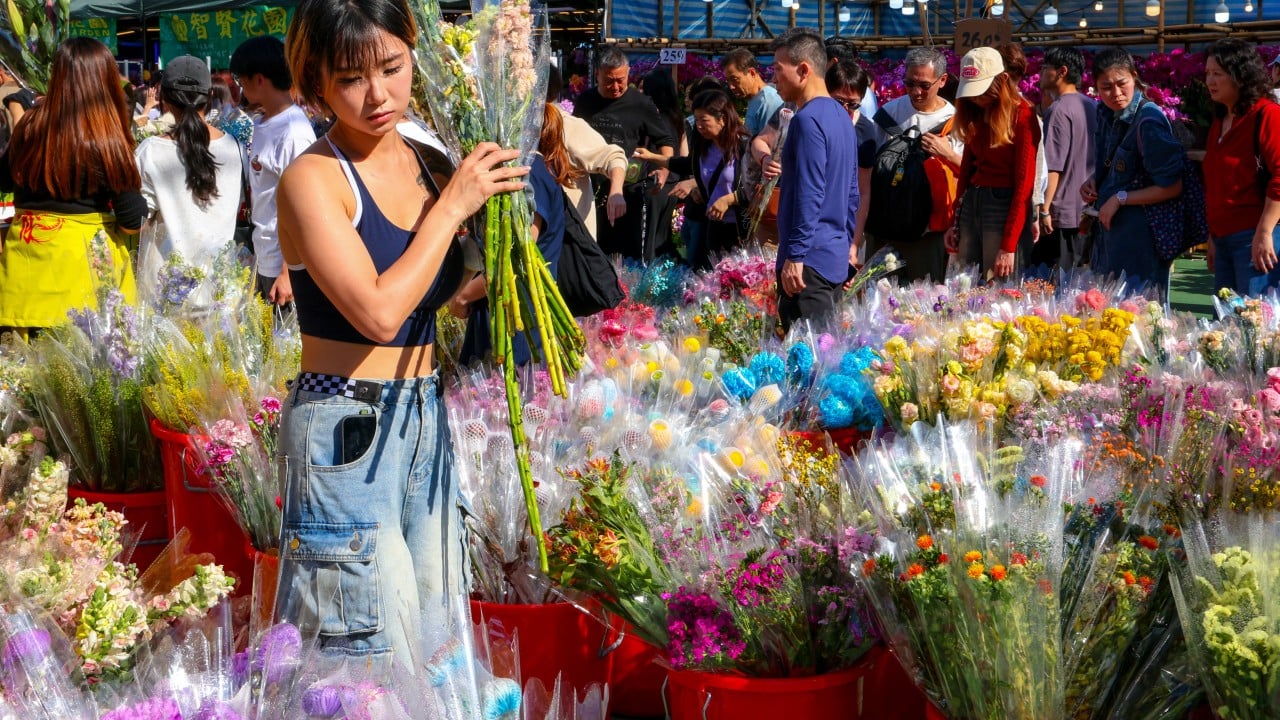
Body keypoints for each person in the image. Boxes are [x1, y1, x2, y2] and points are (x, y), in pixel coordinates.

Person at [275, 0, 527, 662]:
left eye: (392, 67)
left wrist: (495, 266)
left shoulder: (427, 156)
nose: (377, 94)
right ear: (317, 81)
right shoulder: (312, 178)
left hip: (423, 413)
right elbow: (378, 313)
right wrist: (453, 209)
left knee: (438, 640)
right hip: (345, 426)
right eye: (352, 78)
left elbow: (433, 297)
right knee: (365, 658)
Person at [0, 38, 145, 338]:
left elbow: (4, 180)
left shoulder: (28, 127)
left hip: (25, 284)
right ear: (105, 80)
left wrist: (19, 116)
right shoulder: (107, 139)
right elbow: (132, 222)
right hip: (84, 289)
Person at [454, 102, 568, 364]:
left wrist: (463, 295)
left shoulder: (531, 174)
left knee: (509, 391)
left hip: (520, 314)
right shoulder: (525, 170)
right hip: (505, 308)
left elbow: (516, 259)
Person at [770, 28, 857, 331]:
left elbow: (810, 194)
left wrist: (796, 255)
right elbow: (852, 193)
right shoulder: (841, 115)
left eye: (778, 69)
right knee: (826, 354)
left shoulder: (807, 121)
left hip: (808, 263)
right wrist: (845, 246)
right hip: (831, 257)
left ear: (803, 69)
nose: (774, 78)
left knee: (806, 365)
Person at [1081, 49, 1186, 297]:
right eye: (1106, 87)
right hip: (1111, 238)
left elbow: (1173, 186)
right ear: (1095, 87)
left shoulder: (1149, 122)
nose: (1116, 94)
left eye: (1122, 84)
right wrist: (1095, 181)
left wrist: (1120, 198)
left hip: (1142, 240)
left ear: (1134, 77)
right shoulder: (1105, 113)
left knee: (1142, 317)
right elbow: (1115, 166)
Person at [134, 56, 244, 292]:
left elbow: (139, 222)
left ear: (164, 98)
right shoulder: (234, 147)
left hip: (166, 292)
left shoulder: (150, 151)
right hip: (221, 291)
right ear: (210, 96)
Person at [231, 36, 316, 306]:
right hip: (265, 255)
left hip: (286, 269)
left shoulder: (293, 132)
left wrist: (288, 272)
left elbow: (307, 207)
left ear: (259, 79)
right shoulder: (262, 122)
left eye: (242, 81)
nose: (241, 88)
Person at [865, 46, 963, 284]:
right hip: (884, 226)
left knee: (925, 299)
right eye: (909, 84)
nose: (915, 92)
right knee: (877, 297)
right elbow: (867, 167)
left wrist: (948, 155)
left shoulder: (955, 120)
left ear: (942, 81)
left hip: (929, 231)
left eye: (924, 85)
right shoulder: (889, 114)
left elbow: (971, 173)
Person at [948, 47, 1041, 281]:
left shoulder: (1024, 116)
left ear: (1003, 81)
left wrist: (1009, 246)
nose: (976, 98)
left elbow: (1024, 186)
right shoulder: (974, 113)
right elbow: (967, 172)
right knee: (965, 282)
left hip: (1004, 204)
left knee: (999, 284)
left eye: (983, 90)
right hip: (973, 200)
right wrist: (955, 222)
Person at [573, 47, 675, 259]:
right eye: (609, 81)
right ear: (597, 75)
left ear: (628, 73)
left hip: (630, 189)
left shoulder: (641, 103)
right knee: (595, 248)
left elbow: (664, 140)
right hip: (592, 188)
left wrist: (664, 169)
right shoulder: (585, 102)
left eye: (621, 79)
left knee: (628, 252)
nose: (616, 87)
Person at [636, 89, 750, 270]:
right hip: (713, 227)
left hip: (740, 230)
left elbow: (757, 189)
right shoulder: (704, 147)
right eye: (696, 120)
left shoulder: (744, 147)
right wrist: (652, 157)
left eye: (704, 120)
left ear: (722, 119)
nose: (699, 126)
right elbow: (684, 164)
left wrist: (729, 199)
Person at [1203, 39, 1280, 296]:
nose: (1210, 81)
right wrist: (1213, 237)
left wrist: (1265, 231)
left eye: (1218, 74)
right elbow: (1217, 182)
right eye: (1207, 74)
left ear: (1240, 76)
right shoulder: (1220, 120)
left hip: (1254, 236)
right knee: (1226, 327)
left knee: (1255, 325)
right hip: (1224, 238)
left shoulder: (1266, 115)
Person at [546, 70, 626, 242]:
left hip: (571, 242)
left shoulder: (567, 126)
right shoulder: (516, 130)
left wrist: (616, 192)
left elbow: (613, 156)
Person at [1038, 46, 1097, 271]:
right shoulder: (1092, 105)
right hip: (1087, 208)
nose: (1041, 73)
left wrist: (1044, 209)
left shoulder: (1058, 110)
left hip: (1062, 210)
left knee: (1058, 283)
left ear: (1062, 71)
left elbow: (1053, 166)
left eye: (1045, 68)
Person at [825, 60, 878, 262]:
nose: (845, 109)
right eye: (839, 102)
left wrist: (854, 243)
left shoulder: (865, 130)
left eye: (853, 104)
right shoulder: (813, 121)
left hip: (842, 222)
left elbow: (864, 190)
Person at [721, 47, 784, 137]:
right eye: (728, 81)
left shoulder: (768, 102)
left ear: (752, 73)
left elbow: (769, 145)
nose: (731, 86)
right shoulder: (755, 100)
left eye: (735, 79)